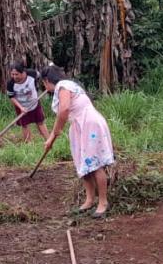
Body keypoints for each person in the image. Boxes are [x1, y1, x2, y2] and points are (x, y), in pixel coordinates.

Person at [41, 66, 115, 219]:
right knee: (83, 164)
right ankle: (89, 200)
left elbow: (64, 110)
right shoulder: (68, 86)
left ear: (47, 81)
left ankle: (103, 202)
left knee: (94, 164)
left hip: (88, 124)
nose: (44, 87)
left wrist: (52, 136)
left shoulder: (63, 86)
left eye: (43, 83)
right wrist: (53, 136)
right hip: (79, 126)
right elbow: (65, 113)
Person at [7, 63, 48, 142]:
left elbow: (41, 77)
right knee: (25, 125)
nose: (14, 77)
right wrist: (21, 108)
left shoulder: (32, 73)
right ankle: (28, 144)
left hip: (34, 103)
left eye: (16, 74)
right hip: (21, 106)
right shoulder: (11, 83)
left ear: (23, 72)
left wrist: (46, 85)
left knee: (40, 122)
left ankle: (48, 140)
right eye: (12, 74)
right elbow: (11, 97)